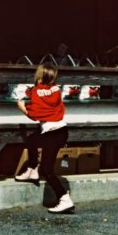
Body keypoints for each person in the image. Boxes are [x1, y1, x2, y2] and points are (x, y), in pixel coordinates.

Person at [14, 64, 75, 214]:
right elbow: (41, 93)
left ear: (39, 77)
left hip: (52, 134)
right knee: (32, 140)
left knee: (47, 170)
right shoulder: (55, 89)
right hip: (61, 130)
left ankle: (65, 199)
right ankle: (31, 169)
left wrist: (22, 107)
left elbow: (34, 114)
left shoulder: (36, 93)